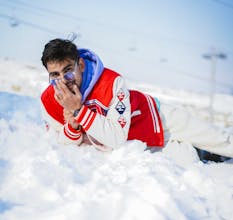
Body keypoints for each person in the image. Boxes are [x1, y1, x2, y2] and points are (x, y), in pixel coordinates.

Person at [40, 38, 233, 159]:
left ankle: (213, 149)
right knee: (191, 160)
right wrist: (73, 126)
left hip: (158, 118)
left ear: (80, 65)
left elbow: (115, 137)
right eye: (55, 75)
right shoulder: (48, 100)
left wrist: (79, 110)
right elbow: (62, 144)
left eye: (68, 71)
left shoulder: (111, 81)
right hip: (141, 142)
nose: (63, 80)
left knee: (220, 140)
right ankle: (207, 154)